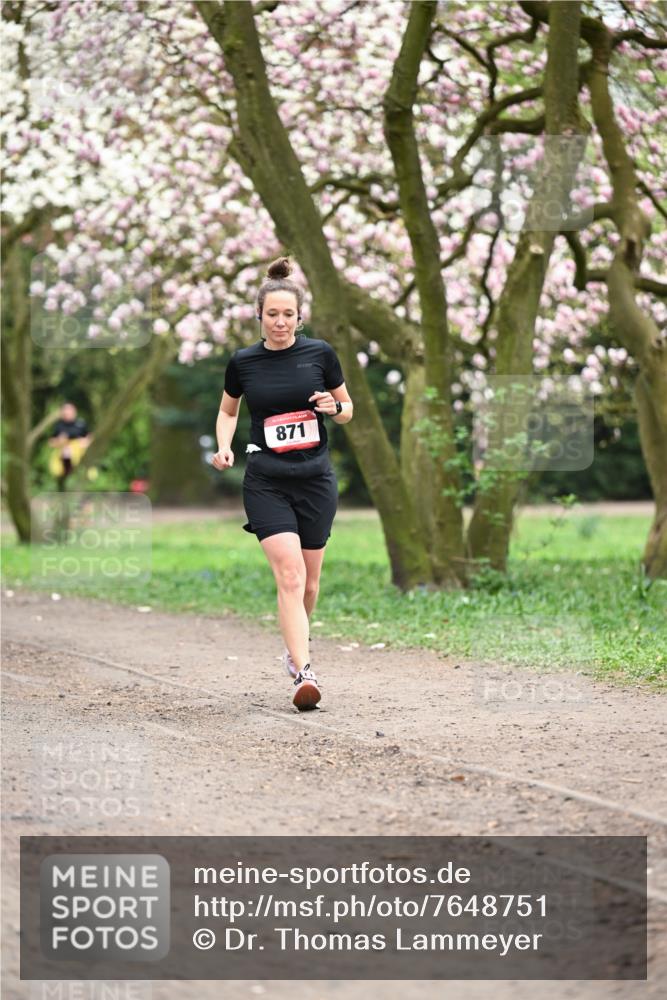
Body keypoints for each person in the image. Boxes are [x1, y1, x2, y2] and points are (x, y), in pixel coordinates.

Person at [212, 257, 353, 711]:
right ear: (259, 316)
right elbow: (229, 410)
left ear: (299, 317)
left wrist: (333, 408)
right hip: (266, 480)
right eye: (271, 314)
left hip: (315, 480)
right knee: (289, 576)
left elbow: (346, 408)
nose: (279, 321)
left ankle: (295, 655)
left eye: (287, 314)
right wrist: (224, 446)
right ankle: (305, 671)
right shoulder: (244, 362)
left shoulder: (320, 354)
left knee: (310, 585)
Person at [48, 402, 92, 491]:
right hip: (63, 453)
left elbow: (89, 437)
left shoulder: (81, 423)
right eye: (66, 411)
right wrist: (59, 441)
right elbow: (51, 442)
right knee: (66, 452)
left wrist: (85, 442)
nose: (68, 413)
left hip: (80, 452)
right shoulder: (59, 425)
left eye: (70, 411)